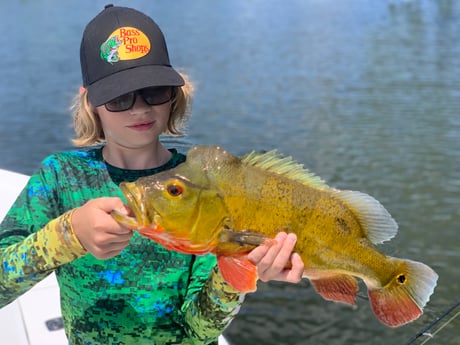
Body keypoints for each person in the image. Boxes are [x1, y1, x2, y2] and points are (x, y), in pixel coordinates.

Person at [0, 4, 304, 345]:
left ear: (175, 94)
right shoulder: (60, 177)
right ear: (90, 103)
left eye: (155, 91)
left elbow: (198, 330)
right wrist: (70, 235)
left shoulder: (202, 186)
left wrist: (236, 273)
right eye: (120, 97)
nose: (141, 107)